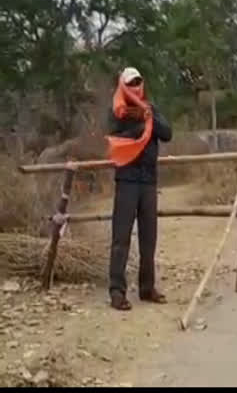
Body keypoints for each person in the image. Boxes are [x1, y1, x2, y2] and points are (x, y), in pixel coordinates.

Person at [106, 67, 172, 311]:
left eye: (138, 81)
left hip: (148, 182)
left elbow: (167, 133)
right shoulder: (118, 111)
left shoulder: (150, 108)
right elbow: (116, 138)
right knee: (120, 238)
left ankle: (147, 288)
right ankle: (116, 291)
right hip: (126, 180)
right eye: (131, 82)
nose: (135, 86)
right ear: (123, 85)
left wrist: (149, 116)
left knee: (148, 238)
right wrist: (142, 124)